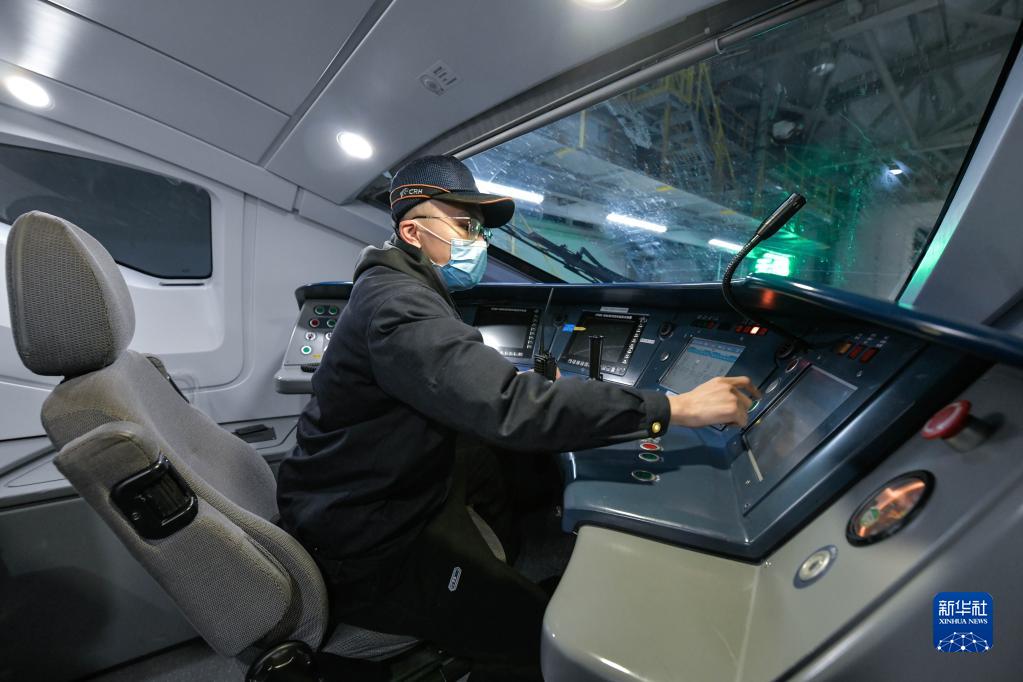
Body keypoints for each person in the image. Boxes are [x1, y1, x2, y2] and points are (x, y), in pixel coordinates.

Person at [276, 155, 759, 680]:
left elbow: (472, 384)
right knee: (537, 639)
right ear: (412, 232)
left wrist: (532, 389)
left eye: (479, 230)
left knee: (491, 464)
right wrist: (675, 407)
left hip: (356, 497)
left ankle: (506, 566)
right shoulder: (399, 307)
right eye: (465, 226)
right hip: (366, 543)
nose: (478, 242)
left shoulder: (396, 288)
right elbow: (510, 407)